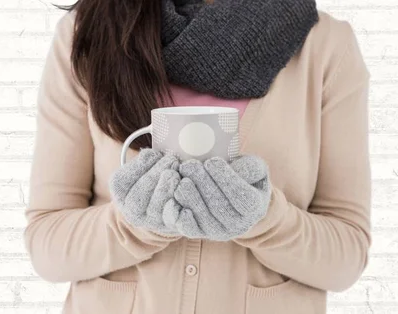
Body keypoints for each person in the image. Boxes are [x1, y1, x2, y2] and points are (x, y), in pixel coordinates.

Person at [24, 0, 371, 313]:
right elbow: (47, 246)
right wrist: (134, 224)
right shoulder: (87, 34)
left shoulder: (326, 47)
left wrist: (262, 220)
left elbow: (346, 257)